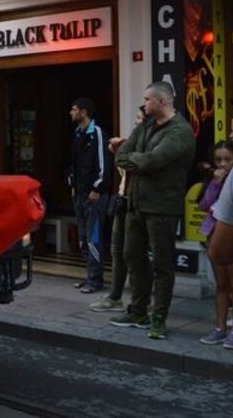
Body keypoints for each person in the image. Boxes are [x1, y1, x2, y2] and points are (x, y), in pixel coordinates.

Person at [107, 82, 195, 340]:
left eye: (147, 100)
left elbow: (154, 161)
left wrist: (132, 157)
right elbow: (124, 154)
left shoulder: (180, 131)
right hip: (136, 204)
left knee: (162, 264)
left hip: (162, 207)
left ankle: (159, 318)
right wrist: (133, 157)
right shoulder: (146, 124)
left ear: (162, 101)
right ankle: (137, 311)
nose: (144, 104)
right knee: (132, 256)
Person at [92, 106, 148, 312]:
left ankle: (141, 301)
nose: (136, 122)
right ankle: (115, 296)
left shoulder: (152, 144)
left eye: (140, 118)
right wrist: (119, 153)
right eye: (136, 117)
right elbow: (125, 173)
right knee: (117, 250)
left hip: (140, 204)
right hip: (123, 200)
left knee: (134, 253)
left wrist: (122, 152)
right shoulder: (132, 142)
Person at [196, 141, 233, 349]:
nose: (223, 164)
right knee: (221, 284)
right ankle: (220, 327)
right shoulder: (213, 179)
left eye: (228, 160)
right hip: (214, 234)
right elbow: (204, 205)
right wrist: (214, 183)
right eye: (218, 160)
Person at [67, 97, 111, 294]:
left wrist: (97, 188)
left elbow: (104, 165)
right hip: (79, 193)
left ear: (83, 112)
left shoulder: (98, 133)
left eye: (74, 109)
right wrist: (72, 184)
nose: (71, 112)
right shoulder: (77, 134)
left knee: (93, 238)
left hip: (93, 196)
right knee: (83, 237)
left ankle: (96, 280)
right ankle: (89, 276)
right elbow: (72, 163)